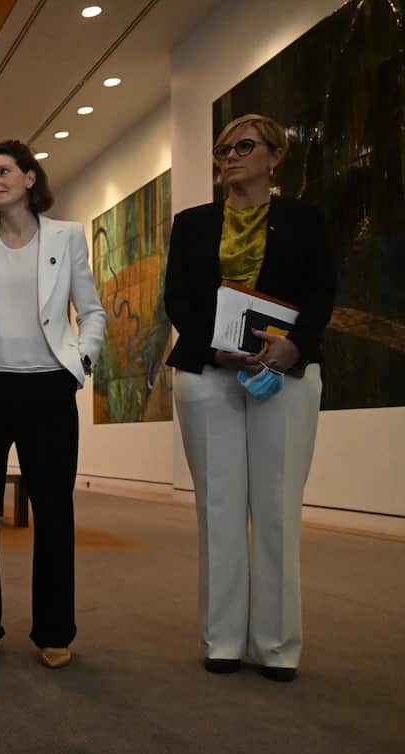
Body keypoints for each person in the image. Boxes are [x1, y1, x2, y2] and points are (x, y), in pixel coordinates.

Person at [164, 114, 334, 682]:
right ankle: (222, 640)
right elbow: (178, 299)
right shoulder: (191, 224)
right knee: (219, 510)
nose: (229, 157)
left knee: (278, 510)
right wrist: (213, 350)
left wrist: (296, 347)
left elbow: (321, 291)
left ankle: (278, 646)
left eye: (243, 146)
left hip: (284, 373)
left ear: (275, 155)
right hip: (207, 374)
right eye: (222, 149)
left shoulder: (305, 220)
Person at [0, 139, 105, 669]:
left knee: (54, 512)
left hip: (48, 387)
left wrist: (81, 363)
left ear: (31, 178)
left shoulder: (67, 236)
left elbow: (91, 311)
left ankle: (54, 630)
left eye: (3, 171)